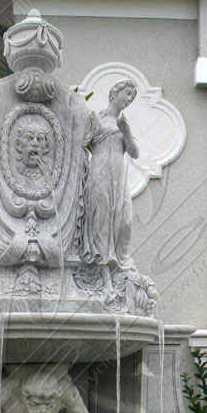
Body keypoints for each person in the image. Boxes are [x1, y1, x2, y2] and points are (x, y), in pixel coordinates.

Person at [81, 79, 140, 293]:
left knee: (125, 221)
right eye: (127, 94)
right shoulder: (96, 118)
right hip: (99, 172)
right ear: (115, 92)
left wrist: (125, 131)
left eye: (132, 97)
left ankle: (118, 267)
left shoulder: (123, 123)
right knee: (101, 221)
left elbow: (134, 152)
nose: (128, 99)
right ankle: (103, 275)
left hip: (118, 175)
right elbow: (80, 143)